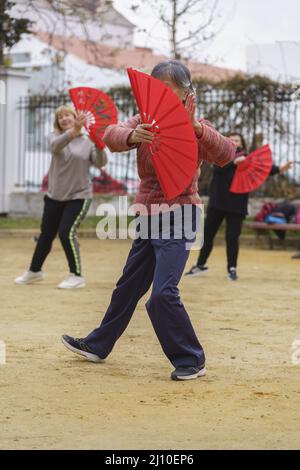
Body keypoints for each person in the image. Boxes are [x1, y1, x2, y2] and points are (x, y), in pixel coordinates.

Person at [61, 60, 236, 381]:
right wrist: (132, 136)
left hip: (181, 213)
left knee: (163, 293)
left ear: (186, 94)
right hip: (147, 212)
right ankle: (99, 344)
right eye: (156, 90)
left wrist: (196, 128)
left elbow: (226, 154)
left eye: (168, 91)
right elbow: (110, 134)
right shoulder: (143, 120)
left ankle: (191, 359)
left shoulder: (198, 126)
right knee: (128, 286)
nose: (161, 97)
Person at [15, 105, 107, 289]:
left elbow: (100, 162)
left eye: (68, 115)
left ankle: (76, 275)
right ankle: (34, 271)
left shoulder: (87, 142)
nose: (64, 119)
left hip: (79, 196)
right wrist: (74, 131)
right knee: (46, 235)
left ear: (76, 117)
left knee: (66, 232)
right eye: (60, 117)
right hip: (54, 196)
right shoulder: (54, 137)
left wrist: (99, 146)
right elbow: (55, 147)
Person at [185, 133, 293, 280]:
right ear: (225, 141)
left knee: (232, 237)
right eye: (231, 139)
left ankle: (232, 269)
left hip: (237, 205)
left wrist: (280, 169)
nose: (234, 142)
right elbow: (218, 168)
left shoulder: (248, 158)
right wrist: (234, 161)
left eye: (237, 140)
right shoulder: (219, 154)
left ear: (242, 143)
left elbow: (262, 168)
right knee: (208, 235)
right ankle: (200, 265)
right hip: (217, 202)